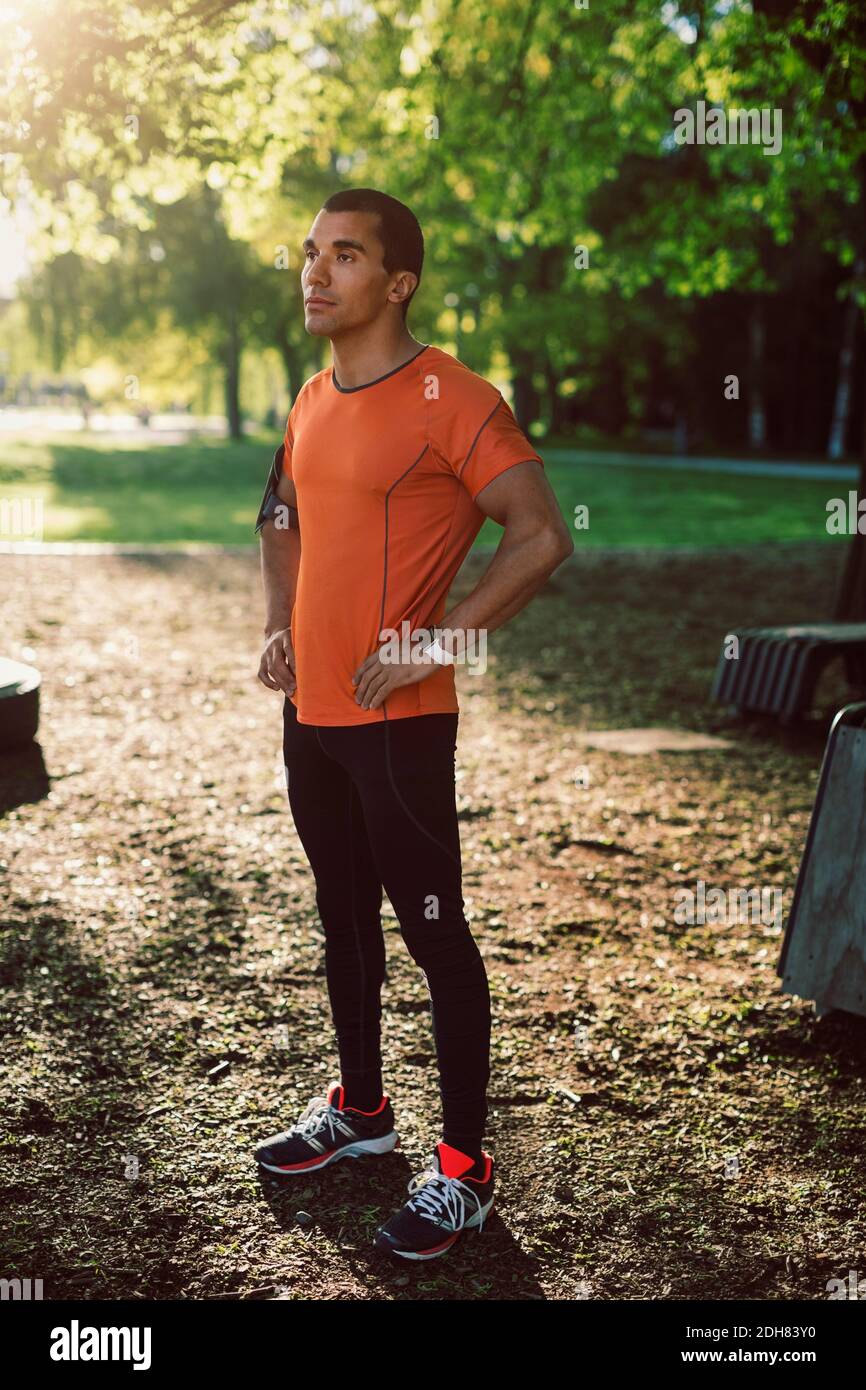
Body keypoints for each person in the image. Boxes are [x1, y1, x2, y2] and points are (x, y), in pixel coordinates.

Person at [253, 188, 573, 1261]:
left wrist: (437, 641)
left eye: (343, 255)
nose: (314, 271)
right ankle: (360, 1110)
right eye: (309, 253)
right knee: (340, 915)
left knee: (434, 937)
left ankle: (465, 1170)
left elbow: (537, 538)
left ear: (396, 283)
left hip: (399, 727)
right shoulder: (307, 395)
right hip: (314, 718)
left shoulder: (453, 396)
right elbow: (281, 514)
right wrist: (275, 625)